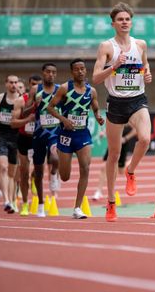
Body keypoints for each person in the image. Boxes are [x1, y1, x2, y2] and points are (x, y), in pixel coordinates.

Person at [92, 2, 153, 222]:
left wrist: (147, 75)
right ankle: (110, 202)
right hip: (116, 103)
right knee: (114, 155)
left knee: (145, 139)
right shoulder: (106, 47)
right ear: (113, 23)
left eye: (127, 19)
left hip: (137, 100)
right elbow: (96, 78)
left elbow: (145, 66)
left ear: (131, 22)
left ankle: (130, 171)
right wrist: (114, 66)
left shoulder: (141, 44)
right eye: (120, 19)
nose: (124, 22)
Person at [46, 59, 104, 219]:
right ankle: (56, 168)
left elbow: (95, 107)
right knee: (65, 177)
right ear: (72, 72)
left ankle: (77, 208)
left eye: (83, 69)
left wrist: (98, 117)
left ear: (86, 70)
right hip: (65, 135)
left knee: (85, 168)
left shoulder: (91, 91)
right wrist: (63, 119)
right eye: (77, 69)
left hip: (82, 134)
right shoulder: (65, 88)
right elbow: (49, 107)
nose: (80, 71)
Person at [27, 63, 62, 213]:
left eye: (54, 72)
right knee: (39, 171)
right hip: (39, 134)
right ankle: (41, 204)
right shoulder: (36, 90)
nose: (51, 75)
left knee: (55, 158)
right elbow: (24, 111)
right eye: (48, 72)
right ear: (43, 73)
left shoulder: (61, 89)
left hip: (55, 132)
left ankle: (54, 174)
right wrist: (35, 105)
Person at [11, 74, 42, 216]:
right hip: (24, 138)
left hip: (39, 137)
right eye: (33, 84)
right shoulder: (20, 101)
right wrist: (27, 119)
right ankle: (24, 204)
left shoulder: (47, 100)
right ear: (29, 85)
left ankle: (35, 177)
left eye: (38, 84)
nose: (35, 87)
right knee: (23, 172)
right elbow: (13, 123)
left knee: (38, 169)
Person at [0, 75, 20, 213]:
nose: (13, 85)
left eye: (15, 82)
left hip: (16, 138)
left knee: (12, 174)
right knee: (3, 167)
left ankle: (13, 200)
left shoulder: (22, 99)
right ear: (6, 83)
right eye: (11, 82)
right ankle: (7, 200)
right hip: (2, 137)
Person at [92, 125, 137, 201]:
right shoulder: (115, 114)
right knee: (103, 167)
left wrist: (125, 138)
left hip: (123, 145)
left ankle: (133, 161)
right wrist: (103, 133)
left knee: (121, 171)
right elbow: (111, 125)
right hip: (113, 145)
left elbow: (135, 130)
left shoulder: (130, 118)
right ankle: (98, 191)